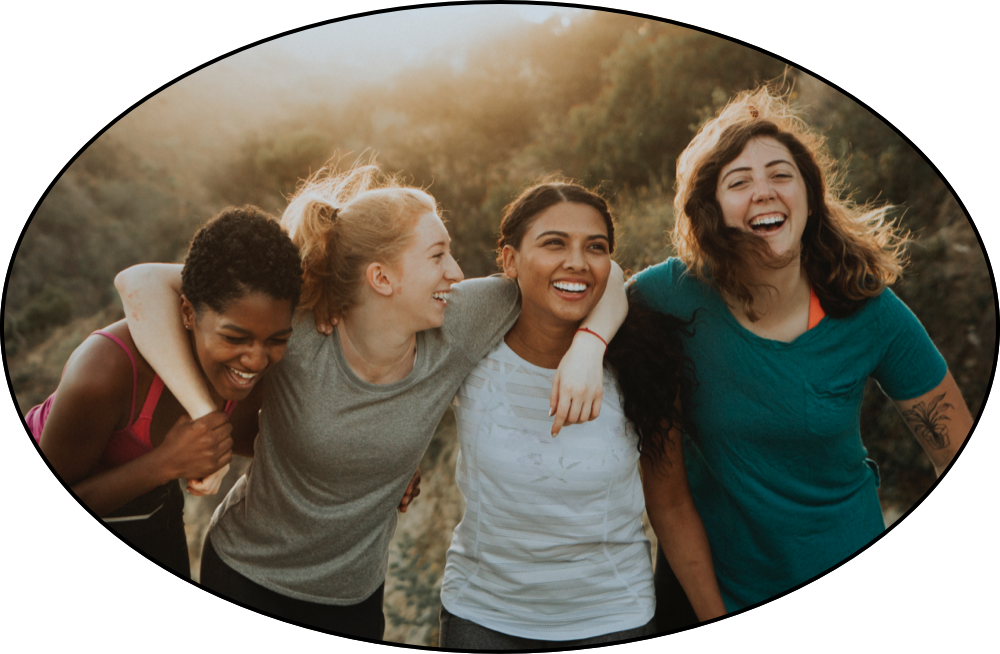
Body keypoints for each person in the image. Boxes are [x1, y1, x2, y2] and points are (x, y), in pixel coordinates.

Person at [113, 163, 627, 639]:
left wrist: (589, 346)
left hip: (354, 600)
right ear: (381, 278)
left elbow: (603, 276)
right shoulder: (299, 328)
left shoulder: (463, 319)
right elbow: (139, 282)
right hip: (246, 573)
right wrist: (206, 419)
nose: (455, 271)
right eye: (437, 255)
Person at [628, 87, 974, 616]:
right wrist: (586, 346)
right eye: (739, 182)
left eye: (781, 175)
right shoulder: (671, 296)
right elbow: (597, 282)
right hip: (717, 591)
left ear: (809, 198)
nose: (764, 191)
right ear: (713, 209)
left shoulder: (868, 309)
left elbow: (952, 442)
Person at [437, 181, 727, 649]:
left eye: (595, 248)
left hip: (613, 618)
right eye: (554, 243)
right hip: (482, 616)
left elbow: (670, 505)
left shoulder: (644, 365)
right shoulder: (470, 343)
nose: (576, 261)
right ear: (509, 260)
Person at [26, 205, 303, 578]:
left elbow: (273, 442)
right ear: (188, 313)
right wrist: (167, 464)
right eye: (234, 337)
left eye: (277, 339)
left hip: (154, 513)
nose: (255, 360)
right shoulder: (105, 371)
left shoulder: (245, 374)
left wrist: (386, 469)